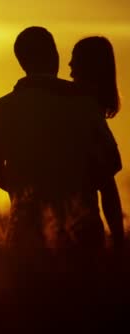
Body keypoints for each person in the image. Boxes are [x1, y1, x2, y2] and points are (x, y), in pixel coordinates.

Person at [0, 26, 118, 252]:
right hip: (82, 234)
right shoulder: (84, 105)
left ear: (22, 62)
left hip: (25, 233)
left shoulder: (0, 109)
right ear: (55, 55)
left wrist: (24, 196)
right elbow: (110, 167)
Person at [70, 36, 124, 251]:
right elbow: (107, 182)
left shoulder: (82, 109)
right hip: (82, 224)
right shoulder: (85, 110)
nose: (70, 65)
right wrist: (119, 240)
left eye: (75, 59)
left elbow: (106, 183)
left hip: (77, 227)